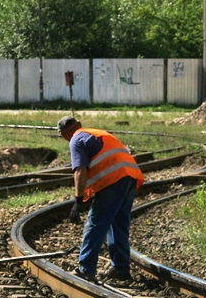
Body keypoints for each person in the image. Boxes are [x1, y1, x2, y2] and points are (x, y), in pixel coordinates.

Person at [58, 116, 144, 282]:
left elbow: (79, 171)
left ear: (63, 135)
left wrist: (78, 200)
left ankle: (86, 268)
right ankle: (120, 268)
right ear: (79, 125)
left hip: (113, 180)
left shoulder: (76, 140)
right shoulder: (97, 133)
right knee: (118, 224)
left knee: (95, 223)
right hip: (130, 176)